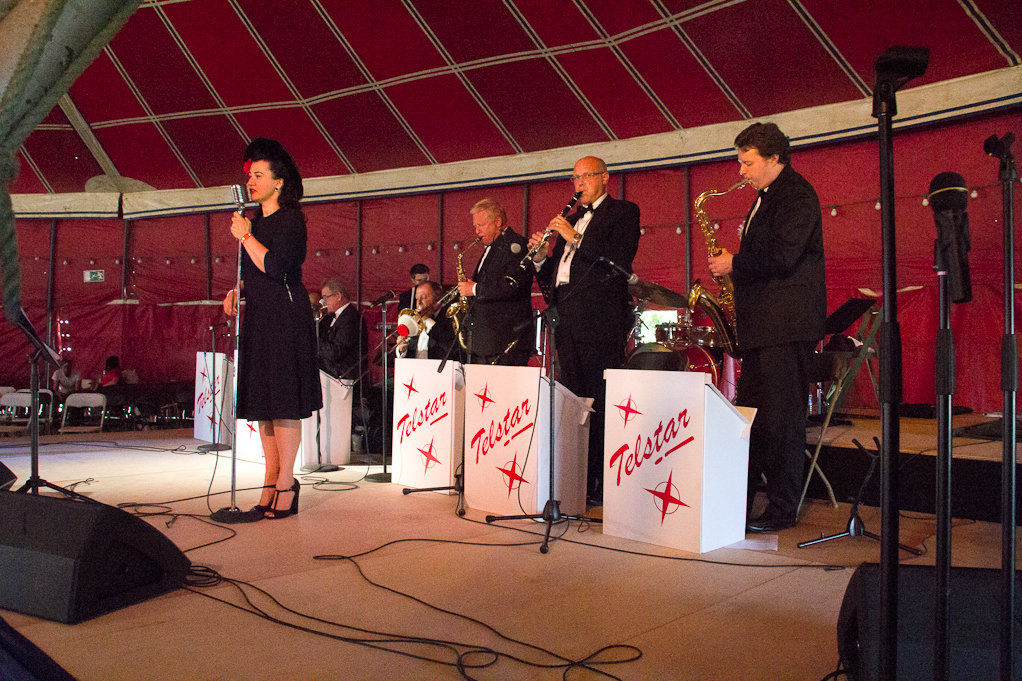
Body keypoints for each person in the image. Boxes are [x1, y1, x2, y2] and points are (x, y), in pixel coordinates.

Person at [707, 122, 826, 533]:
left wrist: (734, 263)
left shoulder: (797, 195)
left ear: (775, 158)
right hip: (764, 326)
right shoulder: (766, 196)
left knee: (782, 420)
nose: (741, 171)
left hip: (784, 325)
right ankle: (744, 502)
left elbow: (784, 256)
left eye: (748, 162)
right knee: (756, 417)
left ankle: (782, 508)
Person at [528, 156, 641, 505]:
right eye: (575, 178)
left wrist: (573, 236)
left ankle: (601, 482)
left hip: (600, 319)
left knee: (598, 399)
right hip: (567, 318)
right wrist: (540, 259)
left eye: (586, 176)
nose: (579, 184)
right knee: (574, 399)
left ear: (605, 177)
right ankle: (577, 476)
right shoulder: (574, 218)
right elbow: (558, 275)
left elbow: (618, 260)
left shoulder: (623, 212)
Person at [223, 137, 322, 520]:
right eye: (250, 176)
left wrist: (246, 236)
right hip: (260, 317)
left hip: (285, 318)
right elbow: (254, 271)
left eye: (259, 175)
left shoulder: (291, 220)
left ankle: (286, 482)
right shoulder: (257, 223)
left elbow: (277, 268)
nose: (251, 181)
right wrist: (238, 289)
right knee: (264, 405)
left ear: (278, 182)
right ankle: (270, 479)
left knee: (282, 402)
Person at [457, 198, 534, 365]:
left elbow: (512, 286)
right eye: (475, 226)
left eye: (481, 225)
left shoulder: (516, 245)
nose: (477, 231)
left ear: (498, 222)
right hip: (487, 339)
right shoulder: (493, 246)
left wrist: (475, 289)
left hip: (506, 339)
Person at [318, 278, 369, 384]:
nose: (324, 302)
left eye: (326, 297)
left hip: (345, 380)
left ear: (338, 296)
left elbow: (335, 351)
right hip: (331, 378)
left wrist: (314, 340)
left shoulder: (351, 318)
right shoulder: (329, 318)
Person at [394, 281, 458, 361]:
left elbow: (449, 348)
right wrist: (402, 350)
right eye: (417, 299)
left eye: (423, 298)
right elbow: (411, 352)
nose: (419, 303)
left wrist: (428, 321)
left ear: (437, 301)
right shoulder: (414, 322)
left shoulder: (449, 319)